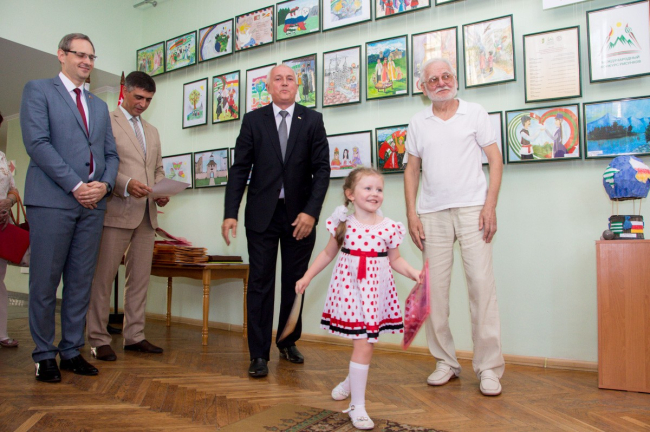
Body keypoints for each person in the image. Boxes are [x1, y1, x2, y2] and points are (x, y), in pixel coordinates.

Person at [20, 33, 119, 382]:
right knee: (45, 282)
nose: (87, 61)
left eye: (92, 57)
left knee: (80, 282)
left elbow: (111, 155)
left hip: (93, 205)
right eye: (80, 55)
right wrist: (76, 186)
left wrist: (104, 185)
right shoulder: (38, 90)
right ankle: (44, 354)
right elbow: (37, 143)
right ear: (61, 55)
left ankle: (71, 350)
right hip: (52, 201)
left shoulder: (98, 106)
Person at [404, 58, 505, 396]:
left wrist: (490, 205)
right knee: (433, 292)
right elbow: (411, 170)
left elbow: (495, 160)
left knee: (481, 287)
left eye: (446, 76)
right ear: (423, 87)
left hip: (473, 210)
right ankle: (445, 361)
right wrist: (412, 214)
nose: (441, 82)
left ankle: (488, 367)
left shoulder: (475, 113)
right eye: (432, 79)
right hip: (431, 214)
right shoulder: (418, 122)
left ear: (455, 79)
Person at [222, 64, 330, 378]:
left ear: (298, 86)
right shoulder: (253, 120)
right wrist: (230, 212)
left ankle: (287, 341)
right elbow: (239, 170)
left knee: (296, 282)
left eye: (290, 79)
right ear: (268, 87)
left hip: (300, 216)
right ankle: (258, 354)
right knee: (260, 283)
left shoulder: (312, 120)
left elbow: (322, 169)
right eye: (278, 79)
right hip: (262, 216)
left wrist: (311, 212)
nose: (284, 83)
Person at [296, 167, 420, 430]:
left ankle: (349, 383)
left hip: (375, 292)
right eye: (368, 188)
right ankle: (358, 406)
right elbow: (327, 254)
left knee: (366, 344)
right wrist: (307, 277)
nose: (375, 193)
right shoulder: (343, 224)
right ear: (350, 194)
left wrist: (414, 273)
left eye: (379, 189)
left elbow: (395, 260)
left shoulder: (389, 227)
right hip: (350, 291)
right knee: (364, 344)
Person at [86, 71, 169, 362]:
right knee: (103, 278)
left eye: (148, 100)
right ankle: (98, 338)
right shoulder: (106, 120)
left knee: (140, 280)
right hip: (115, 210)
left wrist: (161, 190)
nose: (143, 104)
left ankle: (134, 336)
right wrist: (125, 184)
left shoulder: (152, 131)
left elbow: (157, 169)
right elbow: (98, 164)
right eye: (138, 97)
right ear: (125, 91)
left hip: (147, 215)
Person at [0, 111, 20, 349]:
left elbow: (13, 190)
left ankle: (1, 332)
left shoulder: (2, 157)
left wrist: (9, 202)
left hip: (2, 227)